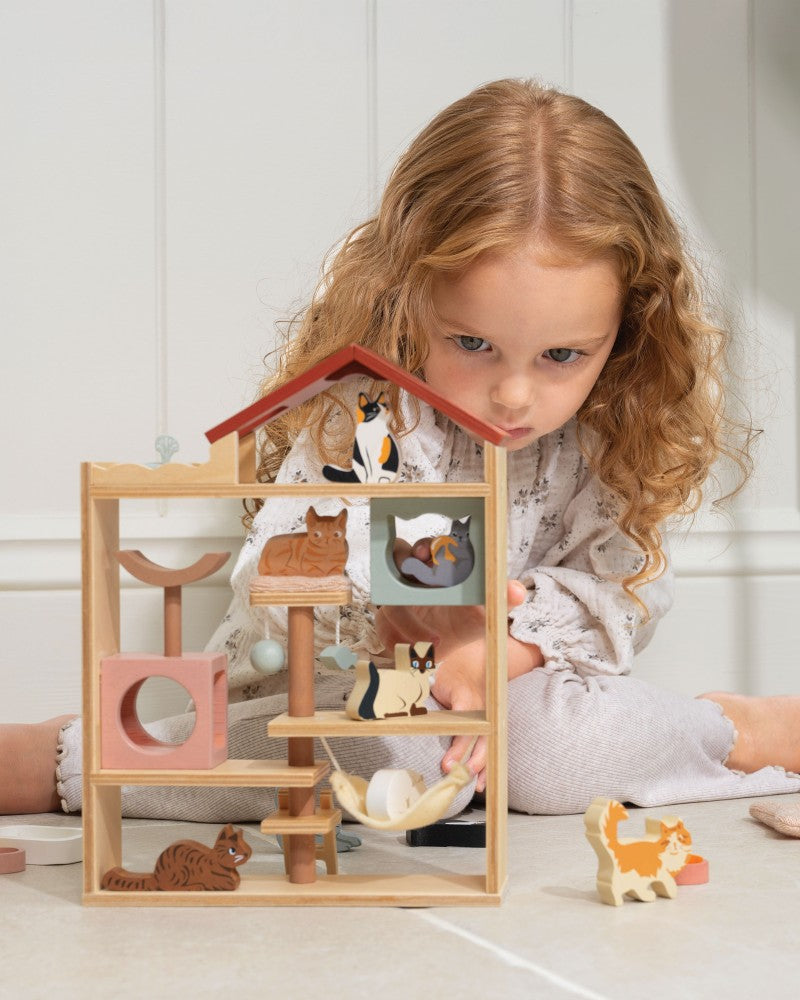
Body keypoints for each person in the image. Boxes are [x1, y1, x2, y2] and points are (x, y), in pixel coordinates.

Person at [4, 79, 800, 822]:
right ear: (407, 294)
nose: (516, 395)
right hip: (342, 691)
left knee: (561, 750)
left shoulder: (601, 436)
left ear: (626, 329)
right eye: (474, 343)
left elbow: (624, 591)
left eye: (563, 356)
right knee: (381, 753)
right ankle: (74, 756)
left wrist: (510, 647)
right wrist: (406, 620)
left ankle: (731, 732)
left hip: (520, 694)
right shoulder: (367, 417)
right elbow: (278, 572)